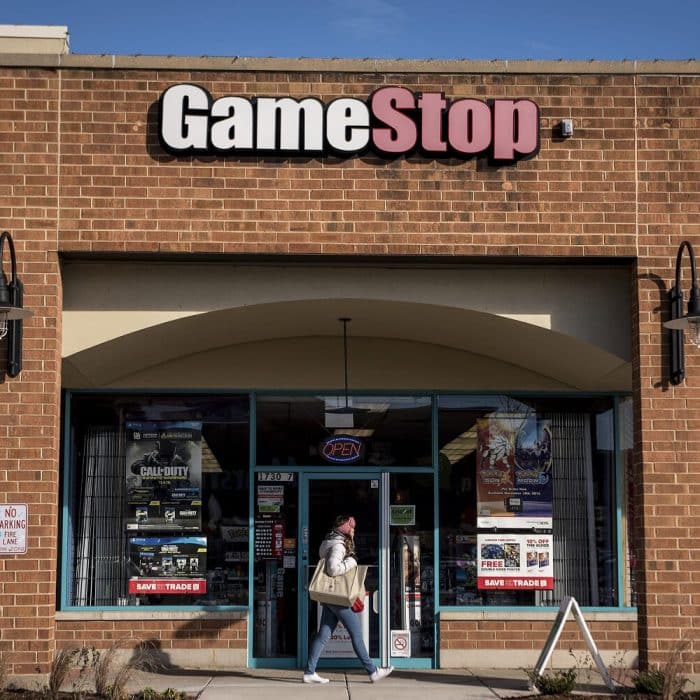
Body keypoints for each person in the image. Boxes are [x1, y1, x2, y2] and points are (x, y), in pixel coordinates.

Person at [303, 514, 394, 685]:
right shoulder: (338, 545)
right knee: (356, 634)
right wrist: (351, 562)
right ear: (346, 529)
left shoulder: (329, 541)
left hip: (331, 596)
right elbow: (332, 569)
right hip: (339, 597)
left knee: (323, 635)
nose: (354, 531)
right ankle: (373, 671)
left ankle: (309, 672)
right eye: (352, 528)